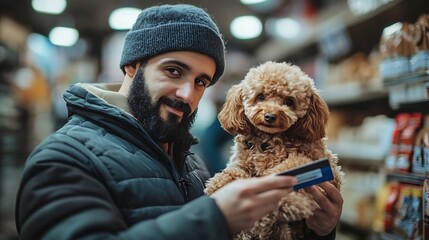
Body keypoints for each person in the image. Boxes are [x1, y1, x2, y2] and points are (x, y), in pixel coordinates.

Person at [14, 4, 342, 240]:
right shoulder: (63, 158)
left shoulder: (189, 160)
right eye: (174, 71)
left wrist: (318, 231)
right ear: (132, 66)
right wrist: (213, 218)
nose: (187, 93)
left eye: (202, 81)